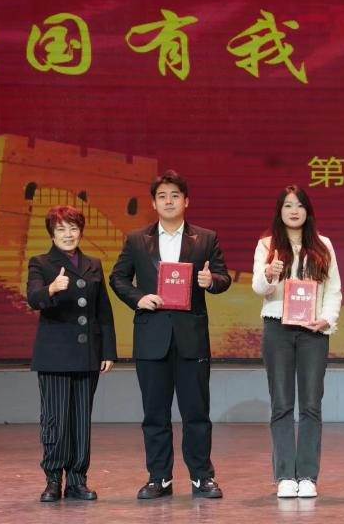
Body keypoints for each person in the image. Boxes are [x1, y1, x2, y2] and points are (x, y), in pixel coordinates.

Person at [109, 170, 232, 499]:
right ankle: (159, 477)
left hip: (191, 337)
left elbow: (223, 277)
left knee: (196, 413)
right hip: (152, 337)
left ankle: (201, 477)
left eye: (175, 195)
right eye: (162, 196)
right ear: (153, 203)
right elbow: (118, 278)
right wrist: (139, 298)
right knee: (155, 414)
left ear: (186, 201)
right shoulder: (137, 239)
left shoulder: (205, 238)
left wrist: (211, 282)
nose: (168, 201)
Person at [252, 185, 342, 498]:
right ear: (280, 211)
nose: (294, 211)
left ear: (308, 211)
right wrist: (269, 273)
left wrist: (327, 319)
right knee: (281, 403)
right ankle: (284, 476)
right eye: (288, 205)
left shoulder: (323, 244)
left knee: (311, 404)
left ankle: (307, 476)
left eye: (300, 205)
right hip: (277, 328)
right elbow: (258, 288)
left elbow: (333, 289)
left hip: (312, 331)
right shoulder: (267, 245)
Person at [25, 205, 116, 502]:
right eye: (61, 229)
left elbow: (103, 312)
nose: (68, 234)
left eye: (73, 228)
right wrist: (51, 288)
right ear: (52, 234)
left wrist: (108, 351)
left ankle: (77, 480)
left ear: (81, 232)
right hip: (54, 356)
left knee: (80, 421)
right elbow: (33, 298)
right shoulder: (40, 263)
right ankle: (53, 480)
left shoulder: (93, 264)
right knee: (56, 419)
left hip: (87, 354)